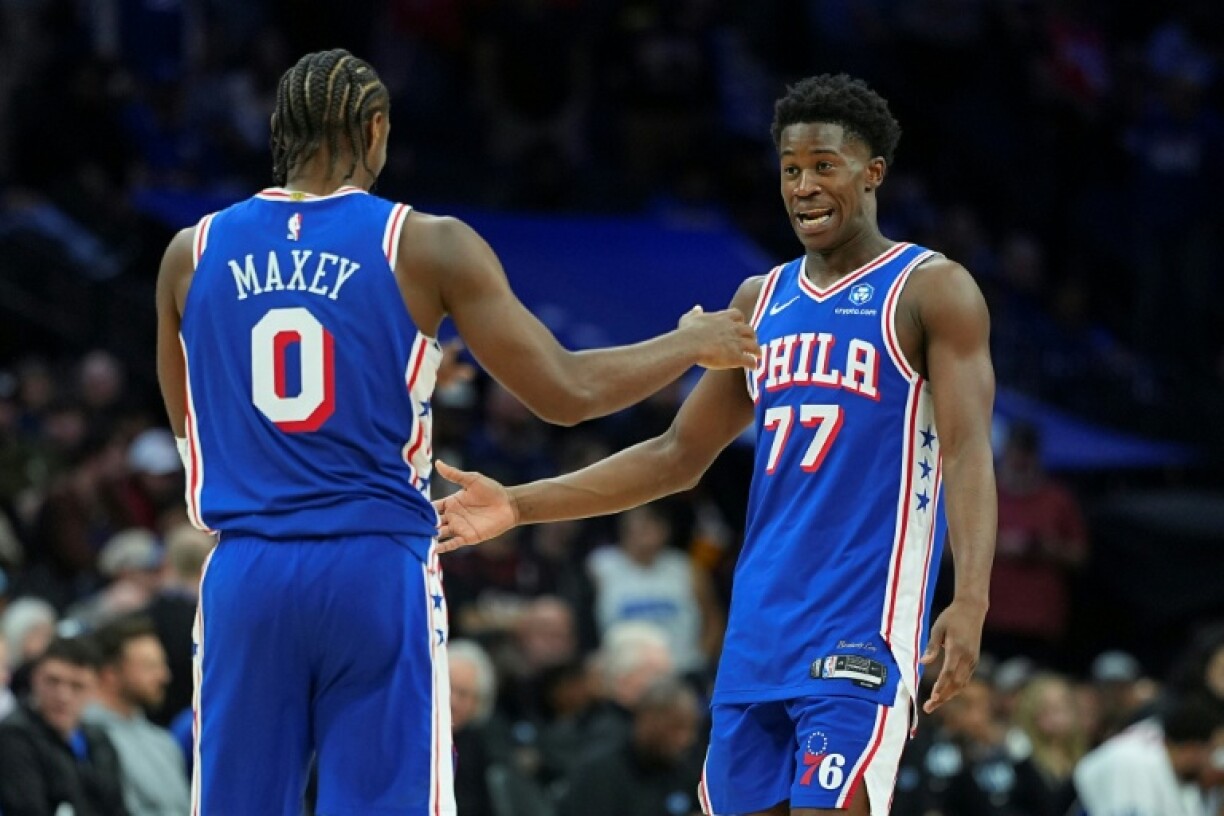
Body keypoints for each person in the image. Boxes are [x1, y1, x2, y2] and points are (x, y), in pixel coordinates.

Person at [153, 48, 758, 816]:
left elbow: (194, 433)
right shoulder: (425, 243)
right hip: (373, 569)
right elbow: (567, 395)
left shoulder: (189, 254)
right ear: (376, 130)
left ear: (282, 131)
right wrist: (688, 343)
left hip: (247, 572)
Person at [435, 73, 997, 816]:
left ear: (872, 173)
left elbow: (965, 453)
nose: (804, 186)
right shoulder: (757, 302)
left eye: (825, 166)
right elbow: (675, 456)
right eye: (791, 169)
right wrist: (516, 504)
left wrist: (972, 599)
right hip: (757, 635)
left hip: (859, 628)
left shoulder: (931, 290)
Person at [0, 636, 128, 816]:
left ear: (94, 690)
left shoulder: (99, 739)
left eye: (77, 686)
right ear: (34, 678)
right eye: (53, 681)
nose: (63, 696)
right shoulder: (13, 737)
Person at [85, 616, 190, 816]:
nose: (164, 676)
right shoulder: (86, 739)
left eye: (162, 665)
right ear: (110, 674)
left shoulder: (164, 742)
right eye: (150, 666)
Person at [1073, 692, 1224, 816]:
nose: (1215, 762)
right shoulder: (1134, 760)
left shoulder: (1169, 760)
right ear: (1191, 749)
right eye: (1212, 752)